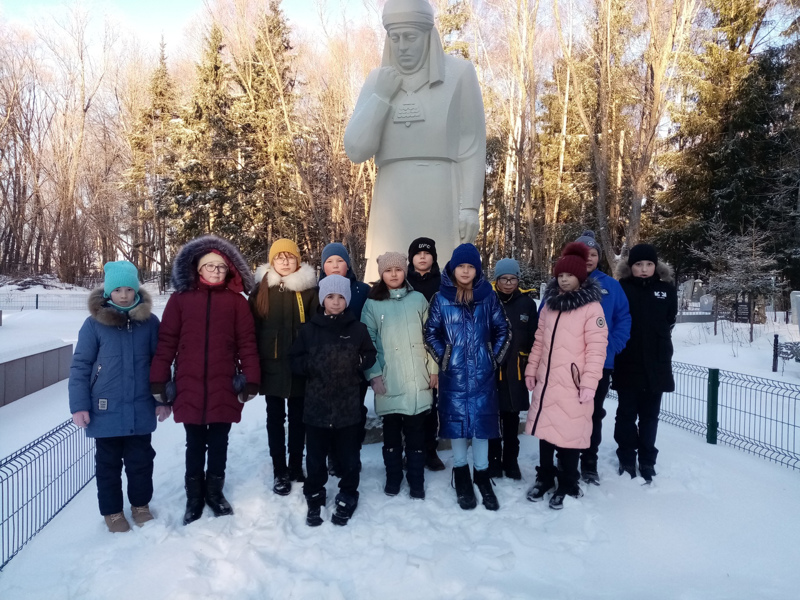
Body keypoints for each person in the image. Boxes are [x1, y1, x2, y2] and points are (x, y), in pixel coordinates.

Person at [344, 0, 486, 283]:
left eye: (410, 37)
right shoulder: (377, 81)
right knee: (387, 279)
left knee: (442, 275)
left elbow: (471, 144)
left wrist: (469, 207)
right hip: (391, 196)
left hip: (441, 191)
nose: (402, 46)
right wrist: (382, 96)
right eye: (394, 38)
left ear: (428, 35)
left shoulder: (459, 74)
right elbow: (356, 149)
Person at [150, 235, 260, 525]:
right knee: (195, 442)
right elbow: (167, 341)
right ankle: (194, 497)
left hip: (224, 383)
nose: (215, 271)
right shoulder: (180, 300)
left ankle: (214, 492)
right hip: (190, 383)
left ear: (229, 271)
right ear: (198, 269)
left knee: (219, 441)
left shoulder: (237, 303)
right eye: (209, 266)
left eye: (221, 267)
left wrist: (250, 378)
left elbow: (247, 342)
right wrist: (159, 380)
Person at [69, 261, 168, 533]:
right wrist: (79, 406)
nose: (123, 295)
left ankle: (140, 506)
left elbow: (160, 364)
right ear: (107, 292)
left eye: (128, 289)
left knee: (141, 462)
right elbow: (80, 367)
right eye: (117, 290)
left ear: (136, 290)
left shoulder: (149, 323)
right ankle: (112, 512)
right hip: (105, 411)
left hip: (140, 409)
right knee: (108, 467)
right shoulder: (93, 325)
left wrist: (162, 399)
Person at [424, 243, 510, 511]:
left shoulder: (489, 297)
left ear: (477, 269)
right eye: (461, 266)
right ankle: (461, 473)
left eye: (470, 266)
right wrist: (447, 358)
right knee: (458, 424)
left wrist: (492, 358)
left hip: (483, 374)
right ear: (452, 268)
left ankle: (482, 475)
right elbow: (430, 333)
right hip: (455, 375)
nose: (465, 271)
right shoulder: (440, 298)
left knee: (483, 425)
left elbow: (503, 330)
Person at [524, 242, 608, 509]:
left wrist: (589, 383)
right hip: (548, 383)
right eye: (560, 275)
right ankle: (546, 477)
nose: (564, 279)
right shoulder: (549, 306)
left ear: (580, 277)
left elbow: (597, 349)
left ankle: (569, 482)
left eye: (569, 275)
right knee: (547, 433)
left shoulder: (592, 309)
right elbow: (539, 341)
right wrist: (531, 369)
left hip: (573, 385)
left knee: (569, 435)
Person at [290, 275, 377, 527]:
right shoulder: (309, 330)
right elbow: (294, 359)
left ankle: (348, 492)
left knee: (349, 456)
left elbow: (369, 354)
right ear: (322, 299)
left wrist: (357, 362)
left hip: (347, 406)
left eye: (341, 297)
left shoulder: (357, 329)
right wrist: (312, 364)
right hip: (316, 407)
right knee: (315, 457)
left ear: (347, 299)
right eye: (330, 297)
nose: (336, 302)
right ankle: (315, 493)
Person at [361, 252, 437, 499]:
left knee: (416, 435)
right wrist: (374, 374)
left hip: (417, 378)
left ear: (405, 271)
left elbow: (431, 337)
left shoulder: (418, 300)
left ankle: (416, 480)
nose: (393, 274)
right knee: (392, 435)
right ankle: (393, 476)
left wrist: (433, 370)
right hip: (389, 379)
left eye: (398, 269)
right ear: (381, 274)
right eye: (388, 270)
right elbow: (367, 341)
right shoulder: (372, 304)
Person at [249, 239, 318, 496]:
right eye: (280, 258)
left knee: (299, 419)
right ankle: (280, 469)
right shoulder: (261, 291)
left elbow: (316, 328)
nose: (285, 262)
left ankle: (296, 466)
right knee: (275, 420)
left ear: (298, 260)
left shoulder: (309, 291)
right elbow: (252, 331)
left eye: (290, 257)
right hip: (273, 367)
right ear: (272, 261)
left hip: (301, 368)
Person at [612, 243, 677, 483]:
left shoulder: (666, 289)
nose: (643, 268)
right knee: (627, 413)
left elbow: (670, 318)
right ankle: (627, 456)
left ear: (655, 266)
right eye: (638, 264)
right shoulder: (622, 288)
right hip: (628, 360)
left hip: (657, 363)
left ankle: (647, 459)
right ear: (631, 266)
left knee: (650, 415)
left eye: (649, 264)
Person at [572, 231, 631, 485]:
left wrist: (612, 347)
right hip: (569, 363)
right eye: (584, 254)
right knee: (569, 413)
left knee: (593, 413)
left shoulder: (611, 286)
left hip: (599, 364)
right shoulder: (566, 281)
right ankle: (566, 459)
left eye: (593, 254)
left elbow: (623, 319)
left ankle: (589, 462)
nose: (589, 258)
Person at [318, 242, 371, 475]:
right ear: (323, 267)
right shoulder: (316, 291)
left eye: (339, 260)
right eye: (329, 261)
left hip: (355, 365)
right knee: (330, 412)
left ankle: (352, 452)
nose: (335, 265)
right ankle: (333, 455)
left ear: (348, 264)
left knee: (355, 412)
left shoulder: (362, 290)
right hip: (327, 367)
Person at [489, 258, 538, 480]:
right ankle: (493, 461)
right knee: (492, 418)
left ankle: (511, 461)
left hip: (516, 369)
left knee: (511, 419)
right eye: (504, 279)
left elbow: (534, 336)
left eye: (512, 278)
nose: (508, 283)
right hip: (492, 368)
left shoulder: (527, 303)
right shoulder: (488, 300)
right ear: (496, 280)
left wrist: (529, 360)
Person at [406, 236, 445, 471]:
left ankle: (430, 450)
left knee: (431, 404)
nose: (422, 257)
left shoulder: (443, 284)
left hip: (435, 351)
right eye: (418, 253)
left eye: (427, 253)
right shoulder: (402, 282)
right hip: (407, 349)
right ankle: (410, 449)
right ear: (411, 258)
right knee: (409, 404)